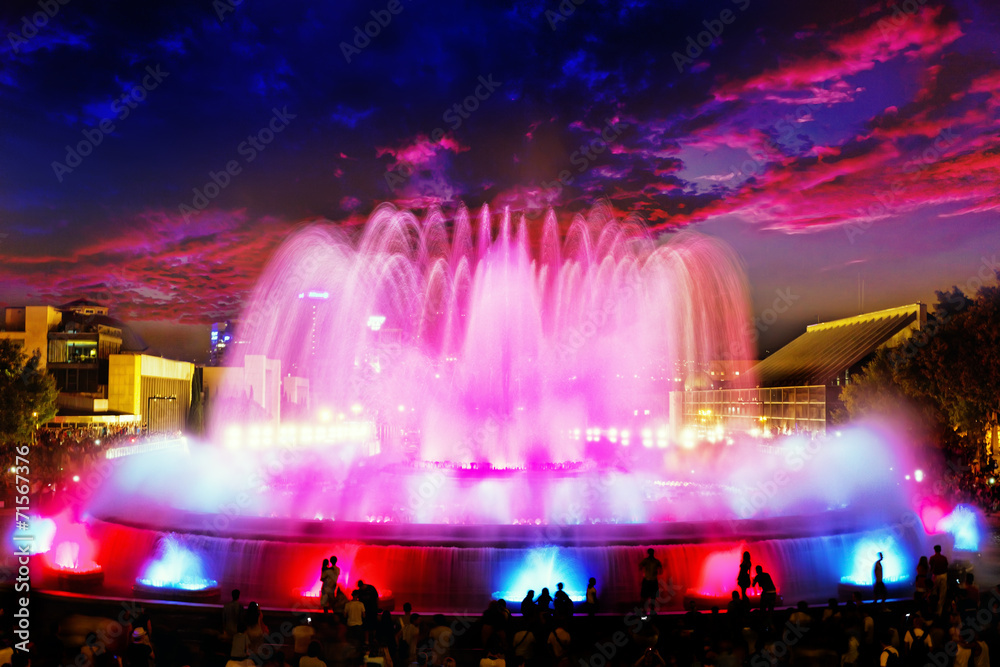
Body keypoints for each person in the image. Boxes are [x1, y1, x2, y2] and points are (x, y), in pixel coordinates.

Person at [929, 545, 948, 616]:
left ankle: (933, 609)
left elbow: (931, 567)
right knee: (942, 593)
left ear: (934, 550)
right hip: (943, 575)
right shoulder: (944, 558)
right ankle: (939, 611)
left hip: (936, 576)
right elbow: (946, 566)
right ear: (940, 550)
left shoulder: (932, 558)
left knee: (933, 592)